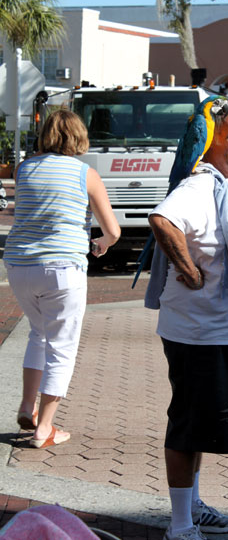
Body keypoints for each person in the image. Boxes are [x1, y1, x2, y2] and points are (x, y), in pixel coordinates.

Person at [145, 100, 228, 540]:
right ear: (211, 137)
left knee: (201, 427)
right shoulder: (199, 186)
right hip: (199, 332)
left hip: (220, 331)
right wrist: (190, 270)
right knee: (188, 425)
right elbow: (162, 219)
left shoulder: (220, 186)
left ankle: (192, 506)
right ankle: (180, 526)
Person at [4, 109, 120, 449]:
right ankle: (45, 428)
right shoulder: (86, 174)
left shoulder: (25, 169)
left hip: (19, 265)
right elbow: (112, 230)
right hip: (62, 267)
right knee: (62, 345)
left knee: (38, 334)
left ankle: (28, 406)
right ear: (79, 136)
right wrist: (101, 244)